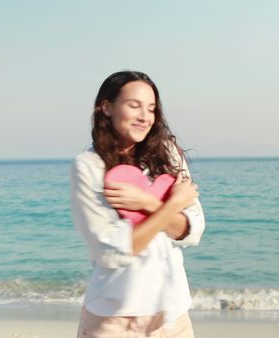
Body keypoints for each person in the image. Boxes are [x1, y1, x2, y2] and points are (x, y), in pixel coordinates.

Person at [71, 70, 206, 338]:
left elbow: (193, 231)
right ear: (107, 107)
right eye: (134, 105)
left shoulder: (168, 155)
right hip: (113, 320)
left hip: (173, 316)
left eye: (151, 108)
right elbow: (112, 252)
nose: (145, 116)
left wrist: (147, 203)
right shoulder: (89, 166)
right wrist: (169, 207)